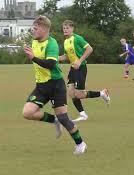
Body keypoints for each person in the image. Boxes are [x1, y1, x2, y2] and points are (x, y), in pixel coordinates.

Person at [23, 16, 87, 155]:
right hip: (41, 86)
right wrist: (32, 56)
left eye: (35, 28)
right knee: (27, 112)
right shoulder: (34, 41)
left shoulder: (51, 43)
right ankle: (54, 120)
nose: (33, 31)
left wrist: (33, 57)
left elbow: (51, 64)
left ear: (44, 29)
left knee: (64, 118)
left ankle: (81, 143)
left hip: (55, 85)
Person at [59, 20, 110, 122]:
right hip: (73, 69)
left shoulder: (77, 38)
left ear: (72, 28)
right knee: (70, 92)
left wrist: (79, 61)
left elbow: (90, 49)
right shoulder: (65, 41)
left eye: (67, 28)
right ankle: (83, 115)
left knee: (79, 94)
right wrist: (54, 58)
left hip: (81, 68)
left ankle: (102, 93)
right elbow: (66, 56)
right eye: (64, 28)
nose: (65, 30)